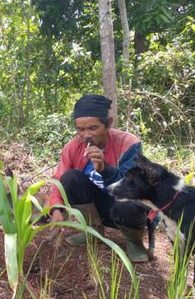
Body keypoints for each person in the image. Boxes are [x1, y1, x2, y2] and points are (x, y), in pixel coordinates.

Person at [47, 94, 151, 263]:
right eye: (80, 129)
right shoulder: (73, 147)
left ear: (108, 124)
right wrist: (56, 208)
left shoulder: (128, 143)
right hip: (97, 207)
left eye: (93, 128)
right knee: (70, 177)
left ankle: (134, 241)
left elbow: (133, 187)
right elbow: (59, 179)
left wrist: (105, 170)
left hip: (125, 209)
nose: (86, 135)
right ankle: (93, 231)